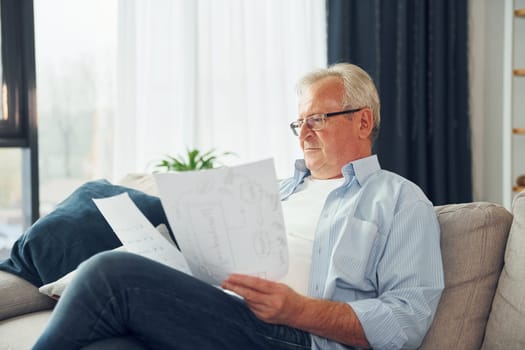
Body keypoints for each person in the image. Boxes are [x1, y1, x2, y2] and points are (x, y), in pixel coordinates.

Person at [33, 63, 444, 350]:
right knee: (108, 346)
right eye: (298, 123)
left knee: (108, 272)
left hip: (294, 336)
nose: (303, 134)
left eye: (316, 119)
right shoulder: (276, 190)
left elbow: (407, 321)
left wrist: (298, 309)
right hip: (219, 313)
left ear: (363, 121)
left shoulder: (400, 201)